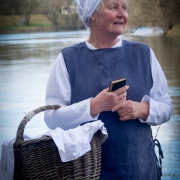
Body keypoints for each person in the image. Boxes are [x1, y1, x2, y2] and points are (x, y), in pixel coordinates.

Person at [44, 0, 173, 179]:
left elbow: (167, 107)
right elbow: (51, 119)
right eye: (114, 7)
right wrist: (94, 106)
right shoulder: (67, 59)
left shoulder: (144, 54)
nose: (122, 14)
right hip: (89, 174)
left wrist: (143, 109)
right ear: (92, 14)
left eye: (124, 8)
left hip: (141, 171)